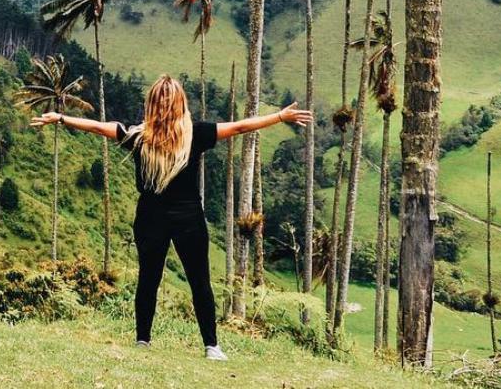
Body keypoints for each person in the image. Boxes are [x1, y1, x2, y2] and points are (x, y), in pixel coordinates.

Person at [30, 74, 312, 360]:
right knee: (149, 278)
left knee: (198, 280)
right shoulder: (140, 136)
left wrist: (279, 116)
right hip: (155, 216)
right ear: (153, 104)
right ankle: (143, 340)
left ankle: (211, 345)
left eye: (168, 100)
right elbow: (102, 128)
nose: (164, 105)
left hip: (186, 216)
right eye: (159, 100)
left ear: (177, 103)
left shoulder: (193, 134)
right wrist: (62, 119)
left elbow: (240, 127)